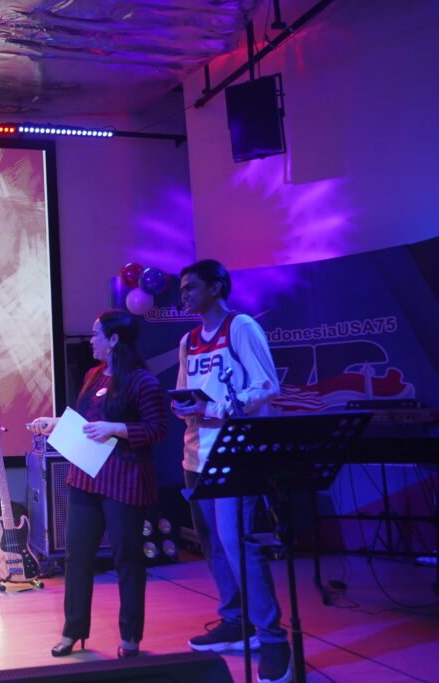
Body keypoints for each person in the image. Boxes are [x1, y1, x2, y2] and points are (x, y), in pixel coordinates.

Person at [171, 259, 290, 683]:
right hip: (196, 455)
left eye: (191, 287)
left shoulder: (240, 327)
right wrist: (184, 405)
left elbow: (267, 385)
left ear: (216, 287)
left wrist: (215, 408)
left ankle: (273, 638)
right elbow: (185, 391)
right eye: (181, 289)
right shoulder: (188, 340)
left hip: (234, 454)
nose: (184, 295)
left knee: (237, 543)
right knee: (213, 545)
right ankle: (236, 620)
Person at [28, 310, 167, 660]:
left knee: (127, 559)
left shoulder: (142, 382)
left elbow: (157, 430)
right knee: (76, 556)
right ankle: (72, 631)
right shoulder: (93, 375)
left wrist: (117, 428)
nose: (91, 340)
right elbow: (88, 423)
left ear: (114, 340)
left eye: (96, 334)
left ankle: (130, 637)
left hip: (124, 480)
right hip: (86, 477)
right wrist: (56, 423)